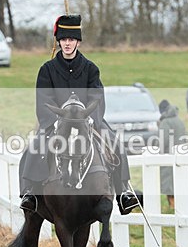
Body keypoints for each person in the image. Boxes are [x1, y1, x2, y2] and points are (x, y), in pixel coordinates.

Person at [19, 13, 139, 215]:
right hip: (57, 121)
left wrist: (90, 117)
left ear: (78, 42)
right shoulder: (47, 69)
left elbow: (96, 96)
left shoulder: (91, 68)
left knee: (115, 142)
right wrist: (55, 120)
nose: (67, 43)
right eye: (63, 39)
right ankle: (30, 192)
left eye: (71, 39)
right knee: (34, 147)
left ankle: (123, 192)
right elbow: (44, 99)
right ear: (58, 42)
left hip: (87, 120)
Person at [157, 99, 187, 209]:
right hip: (181, 154)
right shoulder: (179, 120)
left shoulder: (165, 122)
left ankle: (172, 206)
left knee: (168, 182)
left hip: (168, 155)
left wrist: (157, 151)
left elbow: (163, 140)